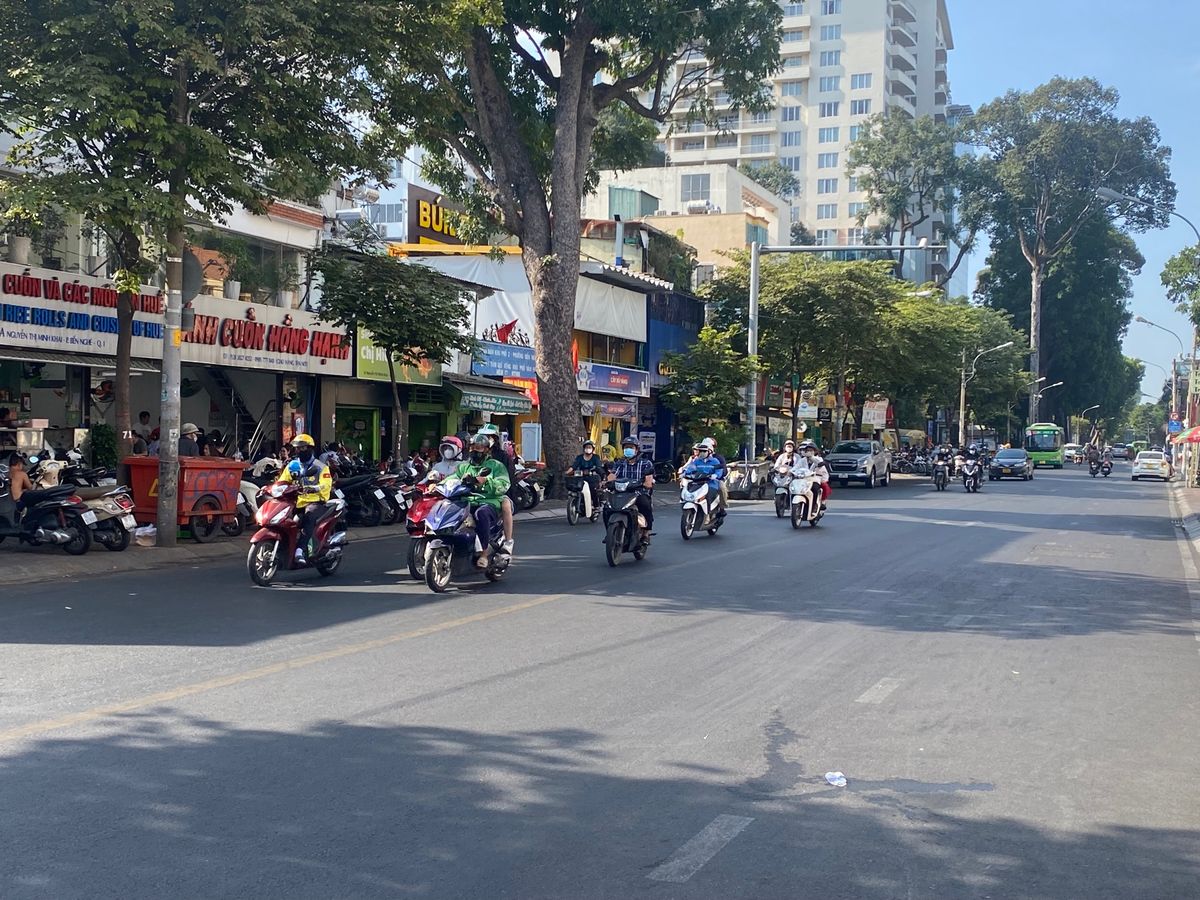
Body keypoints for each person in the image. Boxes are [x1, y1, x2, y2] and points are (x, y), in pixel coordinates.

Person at [454, 433, 511, 568]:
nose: (475, 450)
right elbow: (452, 479)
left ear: (486, 450)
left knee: (481, 513)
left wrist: (485, 481)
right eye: (473, 447)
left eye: (479, 448)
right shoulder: (463, 467)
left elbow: (504, 484)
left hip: (489, 501)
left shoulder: (496, 466)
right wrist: (436, 485)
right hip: (466, 501)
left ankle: (484, 554)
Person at [277, 433, 333, 564]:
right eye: (297, 448)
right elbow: (282, 481)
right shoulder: (292, 465)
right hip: (295, 502)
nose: (299, 451)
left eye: (302, 448)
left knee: (308, 518)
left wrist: (314, 488)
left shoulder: (321, 467)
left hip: (315, 502)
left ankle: (300, 550)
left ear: (310, 448)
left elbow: (326, 485)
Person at [605, 435, 656, 534]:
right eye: (626, 447)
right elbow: (612, 475)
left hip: (638, 493)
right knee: (607, 508)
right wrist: (607, 482)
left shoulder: (646, 463)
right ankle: (610, 532)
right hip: (621, 493)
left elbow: (648, 481)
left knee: (645, 504)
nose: (628, 450)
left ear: (636, 450)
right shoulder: (619, 463)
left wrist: (646, 484)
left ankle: (646, 532)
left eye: (631, 447)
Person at [479, 423, 516, 554]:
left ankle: (508, 541)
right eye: (483, 436)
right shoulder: (473, 457)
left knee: (505, 505)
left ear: (494, 439)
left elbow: (508, 479)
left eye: (488, 437)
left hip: (497, 493)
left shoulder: (502, 457)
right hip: (477, 494)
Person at [681, 442, 727, 519]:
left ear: (709, 452)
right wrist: (685, 473)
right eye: (700, 451)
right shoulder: (696, 461)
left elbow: (719, 470)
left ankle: (719, 509)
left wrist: (715, 475)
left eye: (704, 451)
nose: (702, 453)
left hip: (711, 482)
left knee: (719, 490)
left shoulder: (715, 461)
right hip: (698, 482)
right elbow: (690, 468)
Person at [566, 439, 604, 515]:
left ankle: (596, 506)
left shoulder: (596, 457)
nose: (588, 449)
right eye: (586, 447)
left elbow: (598, 467)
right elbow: (574, 466)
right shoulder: (579, 457)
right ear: (584, 448)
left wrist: (595, 471)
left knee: (593, 489)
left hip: (592, 478)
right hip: (581, 477)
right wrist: (568, 472)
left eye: (589, 447)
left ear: (592, 449)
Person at [799, 440, 831, 509]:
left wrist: (811, 457)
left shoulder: (818, 459)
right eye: (807, 450)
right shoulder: (802, 460)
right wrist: (790, 472)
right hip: (804, 479)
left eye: (811, 450)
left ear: (815, 451)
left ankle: (816, 504)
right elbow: (795, 467)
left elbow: (819, 462)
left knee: (816, 488)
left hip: (816, 479)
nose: (809, 452)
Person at [701, 437, 729, 512]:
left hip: (715, 480)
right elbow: (692, 467)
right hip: (700, 480)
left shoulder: (718, 458)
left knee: (722, 488)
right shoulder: (699, 459)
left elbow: (723, 470)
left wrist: (716, 475)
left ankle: (722, 507)